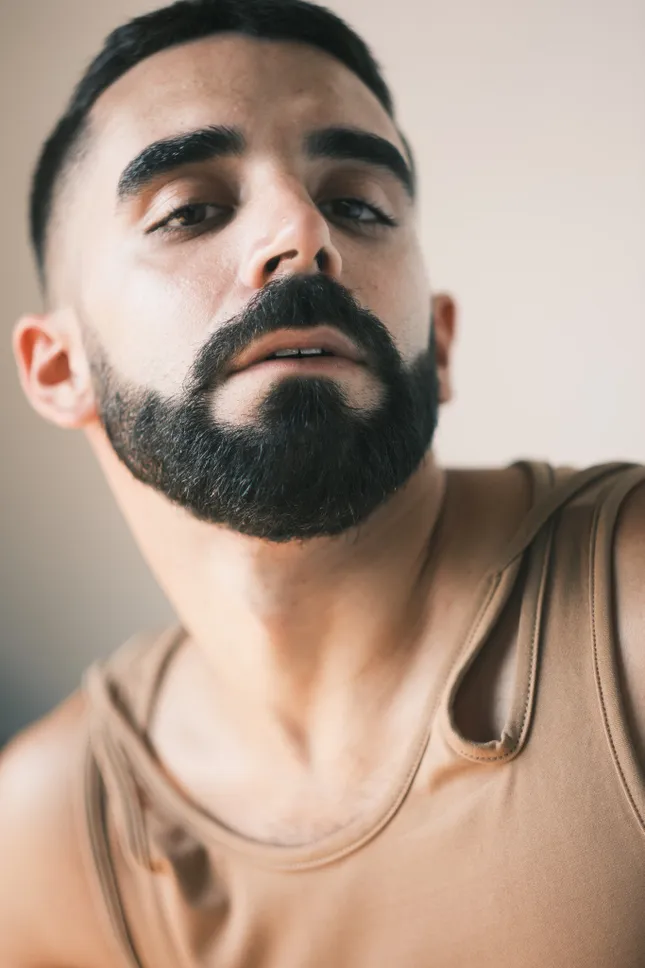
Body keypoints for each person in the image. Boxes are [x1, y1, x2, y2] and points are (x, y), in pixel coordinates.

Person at [2, 0, 645, 964]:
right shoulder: (45, 838)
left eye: (357, 205)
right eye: (191, 211)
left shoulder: (630, 619)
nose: (302, 233)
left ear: (439, 341)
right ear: (59, 368)